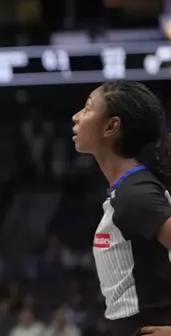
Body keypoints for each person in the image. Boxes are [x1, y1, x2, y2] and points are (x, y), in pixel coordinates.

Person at [71, 81, 171, 336]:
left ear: (111, 126)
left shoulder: (135, 195)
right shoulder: (130, 188)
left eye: (87, 108)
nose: (76, 117)